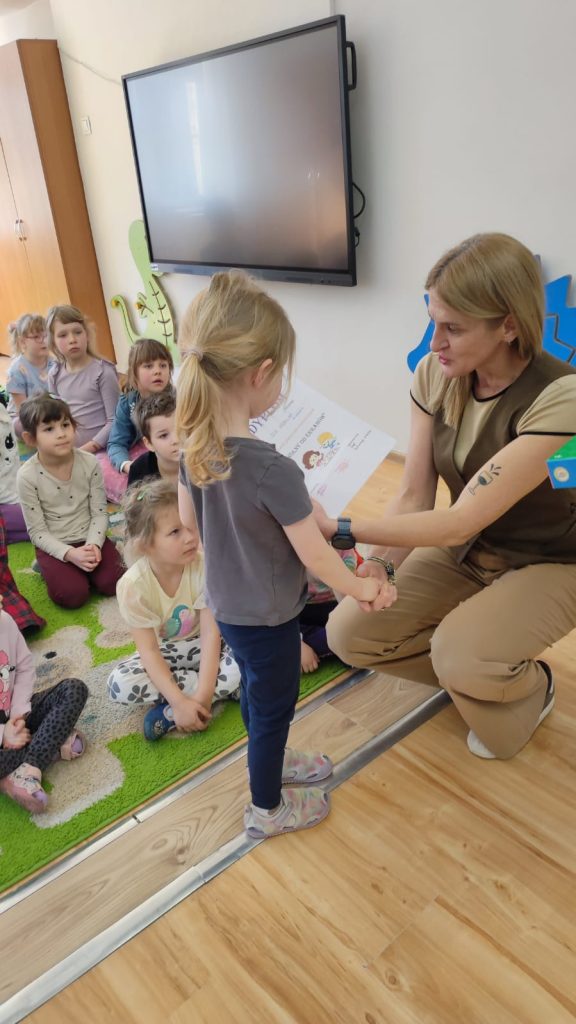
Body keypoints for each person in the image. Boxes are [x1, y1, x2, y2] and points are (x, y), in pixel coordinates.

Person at [320, 231, 576, 761]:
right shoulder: (434, 375)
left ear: (509, 325)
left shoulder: (563, 396)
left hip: (554, 558)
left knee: (463, 663)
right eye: (432, 320)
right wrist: (379, 569)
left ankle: (532, 683)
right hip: (473, 550)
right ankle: (478, 670)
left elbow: (461, 520)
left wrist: (341, 528)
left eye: (453, 328)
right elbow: (415, 494)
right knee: (348, 633)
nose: (435, 342)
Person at [176, 270, 395, 840]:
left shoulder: (193, 449)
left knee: (257, 693)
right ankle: (266, 809)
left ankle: (269, 760)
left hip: (228, 609)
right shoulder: (274, 469)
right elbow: (318, 557)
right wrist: (362, 588)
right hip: (270, 617)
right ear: (262, 373)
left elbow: (189, 526)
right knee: (274, 706)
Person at [107, 479, 240, 739]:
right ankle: (222, 691)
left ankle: (174, 712)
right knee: (118, 683)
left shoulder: (204, 565)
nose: (190, 538)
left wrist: (203, 696)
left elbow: (211, 634)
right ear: (146, 544)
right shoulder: (132, 586)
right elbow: (149, 651)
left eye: (190, 526)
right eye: (175, 532)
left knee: (250, 652)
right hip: (168, 652)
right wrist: (178, 701)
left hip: (212, 645)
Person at [16, 394, 124, 609]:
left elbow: (99, 513)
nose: (61, 434)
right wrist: (69, 554)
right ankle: (47, 567)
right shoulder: (26, 476)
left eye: (65, 425)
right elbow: (37, 532)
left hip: (89, 536)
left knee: (115, 583)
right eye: (49, 429)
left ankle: (86, 563)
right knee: (73, 596)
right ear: (30, 439)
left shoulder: (90, 462)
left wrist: (93, 544)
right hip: (55, 543)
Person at [0, 598, 88, 813]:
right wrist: (3, 735)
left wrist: (18, 716)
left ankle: (29, 765)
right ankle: (47, 746)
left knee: (74, 689)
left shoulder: (4, 620)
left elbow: (24, 667)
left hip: (17, 716)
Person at [46, 304, 120, 453]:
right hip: (71, 449)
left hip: (105, 448)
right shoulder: (54, 375)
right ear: (53, 342)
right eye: (63, 335)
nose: (72, 339)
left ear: (87, 335)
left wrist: (87, 449)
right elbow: (55, 419)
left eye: (78, 332)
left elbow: (115, 421)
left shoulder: (103, 372)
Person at [300, 548, 363, 673]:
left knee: (355, 631)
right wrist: (297, 645)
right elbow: (278, 610)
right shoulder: (284, 556)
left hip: (336, 603)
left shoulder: (342, 545)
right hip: (299, 612)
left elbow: (347, 601)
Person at [6, 313, 53, 437]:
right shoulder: (16, 370)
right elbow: (23, 410)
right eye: (37, 337)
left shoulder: (55, 363)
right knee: (20, 426)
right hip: (25, 415)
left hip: (50, 411)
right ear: (23, 342)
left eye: (46, 335)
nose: (44, 341)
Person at [128, 390, 178, 486]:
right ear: (149, 443)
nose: (176, 440)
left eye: (180, 429)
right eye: (163, 435)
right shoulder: (139, 470)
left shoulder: (202, 464)